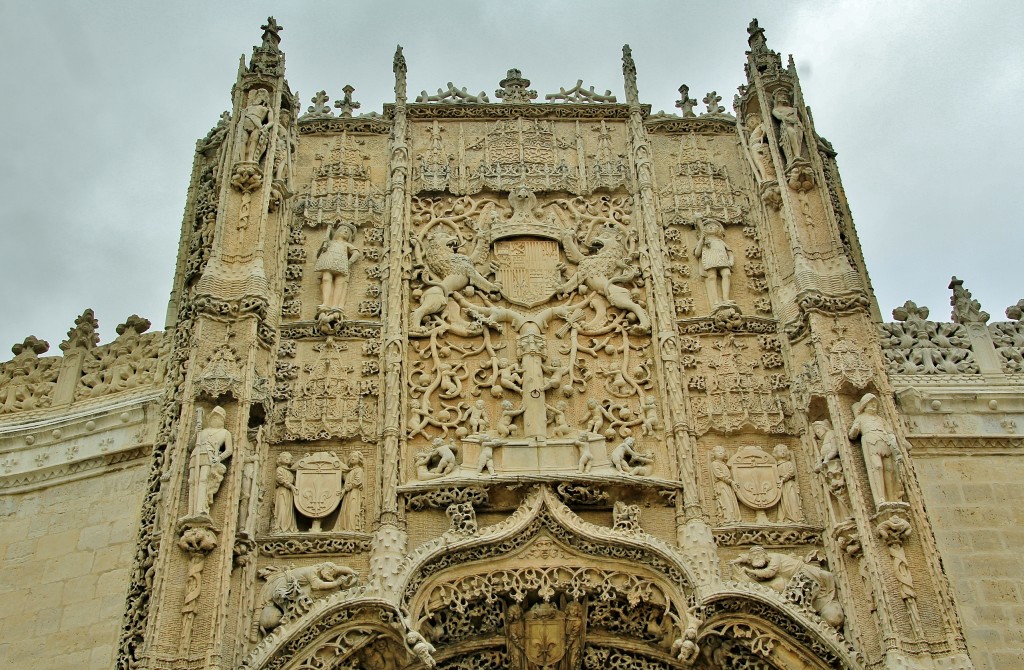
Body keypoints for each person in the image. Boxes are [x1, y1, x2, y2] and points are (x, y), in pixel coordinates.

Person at [849, 393, 904, 507]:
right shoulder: (861, 418)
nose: (874, 405)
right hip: (871, 442)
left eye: (875, 403)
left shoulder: (880, 419)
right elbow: (852, 436)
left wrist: (895, 446)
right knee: (877, 467)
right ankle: (880, 498)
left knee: (889, 469)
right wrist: (855, 429)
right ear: (864, 405)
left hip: (885, 442)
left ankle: (892, 497)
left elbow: (890, 432)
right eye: (871, 403)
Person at [186, 406, 233, 518]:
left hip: (209, 456)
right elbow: (190, 447)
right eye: (214, 417)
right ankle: (191, 512)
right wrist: (196, 433)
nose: (215, 419)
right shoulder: (203, 431)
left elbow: (229, 450)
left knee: (203, 480)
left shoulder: (225, 433)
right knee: (192, 481)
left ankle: (201, 509)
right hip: (196, 455)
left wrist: (219, 458)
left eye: (218, 417)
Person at [314, 222, 363, 311]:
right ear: (338, 231)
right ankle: (326, 303)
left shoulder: (346, 244)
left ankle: (335, 305)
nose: (345, 231)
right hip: (328, 262)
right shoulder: (330, 242)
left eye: (347, 231)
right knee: (326, 279)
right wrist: (323, 245)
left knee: (339, 283)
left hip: (341, 264)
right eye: (343, 229)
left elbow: (356, 253)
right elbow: (319, 255)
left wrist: (349, 263)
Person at [693, 216, 734, 306]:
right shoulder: (704, 241)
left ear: (719, 230)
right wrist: (701, 240)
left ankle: (726, 298)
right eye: (707, 226)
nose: (710, 227)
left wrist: (731, 261)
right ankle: (715, 301)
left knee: (727, 274)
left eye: (713, 226)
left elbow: (729, 252)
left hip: (722, 260)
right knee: (712, 277)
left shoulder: (720, 241)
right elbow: (697, 253)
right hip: (710, 260)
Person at [333, 451, 364, 531]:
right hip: (348, 494)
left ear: (359, 459)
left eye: (355, 457)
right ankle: (345, 527)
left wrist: (345, 489)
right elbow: (344, 475)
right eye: (351, 457)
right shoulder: (350, 471)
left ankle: (352, 528)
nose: (352, 458)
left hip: (354, 493)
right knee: (346, 510)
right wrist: (335, 458)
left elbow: (358, 481)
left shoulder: (359, 470)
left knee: (352, 510)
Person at [272, 451, 298, 533]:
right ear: (280, 459)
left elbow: (296, 481)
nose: (287, 459)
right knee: (282, 508)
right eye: (285, 457)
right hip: (282, 491)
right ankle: (280, 527)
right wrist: (290, 485)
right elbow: (280, 479)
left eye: (289, 458)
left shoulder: (290, 471)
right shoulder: (279, 469)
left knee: (288, 510)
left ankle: (288, 527)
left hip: (290, 493)